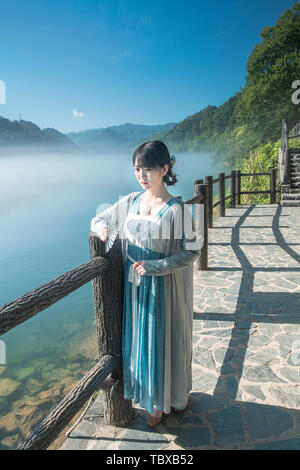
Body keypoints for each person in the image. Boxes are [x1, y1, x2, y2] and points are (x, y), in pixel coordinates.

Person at [90, 140, 203, 428]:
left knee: (165, 341)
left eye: (148, 169)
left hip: (164, 287)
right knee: (141, 342)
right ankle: (153, 400)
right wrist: (104, 230)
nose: (142, 175)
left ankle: (171, 398)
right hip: (135, 288)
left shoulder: (177, 209)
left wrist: (156, 266)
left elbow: (191, 251)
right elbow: (98, 218)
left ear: (165, 169)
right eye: (137, 169)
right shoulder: (129, 202)